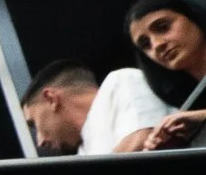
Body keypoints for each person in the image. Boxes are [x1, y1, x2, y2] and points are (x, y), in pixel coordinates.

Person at [125, 0, 206, 148]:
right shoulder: (184, 115)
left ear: (194, 16)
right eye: (146, 44)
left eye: (163, 27)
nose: (157, 45)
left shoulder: (192, 117)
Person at [21, 59, 164, 157]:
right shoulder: (83, 153)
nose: (40, 142)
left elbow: (144, 138)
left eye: (33, 123)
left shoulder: (120, 81)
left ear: (50, 99)